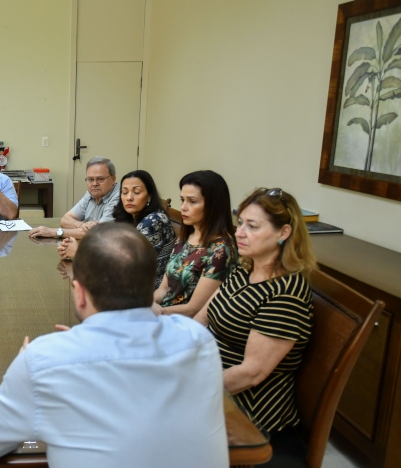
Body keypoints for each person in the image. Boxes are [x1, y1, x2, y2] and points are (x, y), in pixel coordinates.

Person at [0, 223, 231, 468]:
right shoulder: (200, 343)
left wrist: (30, 363)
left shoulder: (44, 359)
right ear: (151, 285)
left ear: (78, 293)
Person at [195, 188, 316, 434]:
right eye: (240, 223)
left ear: (283, 232)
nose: (239, 233)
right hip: (211, 378)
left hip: (247, 405)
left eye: (252, 226)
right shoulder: (244, 270)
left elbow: (252, 373)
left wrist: (191, 388)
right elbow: (201, 318)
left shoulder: (286, 294)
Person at [57, 170, 176, 288]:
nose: (129, 197)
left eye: (137, 192)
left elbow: (124, 266)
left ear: (149, 195)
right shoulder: (129, 218)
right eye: (124, 192)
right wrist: (72, 247)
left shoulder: (154, 221)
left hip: (147, 291)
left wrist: (79, 253)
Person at [153, 170, 236, 317]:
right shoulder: (186, 237)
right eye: (182, 200)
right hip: (164, 313)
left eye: (192, 201)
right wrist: (144, 304)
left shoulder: (221, 249)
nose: (183, 207)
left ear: (213, 205)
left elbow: (194, 308)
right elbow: (163, 289)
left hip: (187, 323)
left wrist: (155, 312)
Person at [29, 157, 120, 240]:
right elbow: (65, 220)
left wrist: (53, 232)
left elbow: (99, 232)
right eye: (90, 179)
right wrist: (82, 225)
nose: (94, 184)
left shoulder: (120, 195)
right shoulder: (91, 193)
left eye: (100, 179)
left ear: (113, 179)